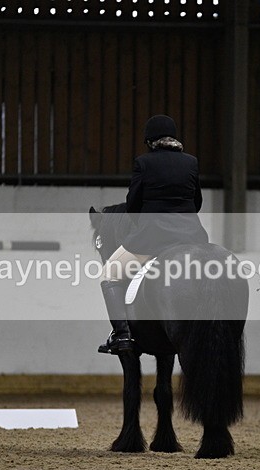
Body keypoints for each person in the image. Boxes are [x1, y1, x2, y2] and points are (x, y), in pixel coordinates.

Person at [98, 115, 209, 355]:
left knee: (109, 273)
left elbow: (133, 205)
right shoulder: (191, 162)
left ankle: (122, 335)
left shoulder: (143, 163)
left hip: (153, 237)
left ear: (150, 141)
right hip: (192, 237)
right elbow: (197, 202)